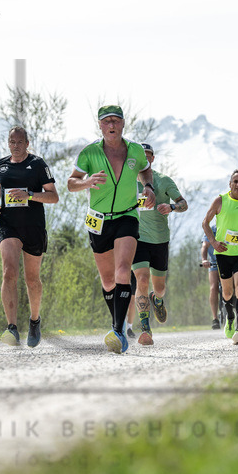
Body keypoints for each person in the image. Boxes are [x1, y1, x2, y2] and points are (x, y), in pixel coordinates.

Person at [68, 105, 155, 353]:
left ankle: (118, 331)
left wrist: (148, 187)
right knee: (107, 281)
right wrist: (86, 182)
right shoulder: (89, 152)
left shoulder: (135, 150)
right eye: (107, 121)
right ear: (100, 125)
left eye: (116, 120)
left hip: (127, 216)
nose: (112, 125)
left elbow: (145, 169)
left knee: (122, 271)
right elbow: (70, 183)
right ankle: (116, 323)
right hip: (98, 220)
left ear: (123, 123)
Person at [0, 126, 59, 348]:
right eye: (11, 141)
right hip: (9, 225)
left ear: (27, 143)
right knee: (9, 272)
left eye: (19, 142)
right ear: (7, 142)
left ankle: (34, 320)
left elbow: (53, 196)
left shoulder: (38, 165)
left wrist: (29, 195)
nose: (15, 145)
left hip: (34, 227)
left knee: (32, 279)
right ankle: (11, 327)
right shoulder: (0, 165)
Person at [121, 143, 187, 345]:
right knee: (141, 279)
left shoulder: (163, 181)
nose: (144, 159)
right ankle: (145, 328)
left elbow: (184, 203)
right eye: (140, 156)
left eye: (147, 156)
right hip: (137, 239)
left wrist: (172, 206)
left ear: (152, 159)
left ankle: (157, 299)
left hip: (160, 240)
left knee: (159, 288)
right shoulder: (127, 181)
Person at [202, 169, 238, 345]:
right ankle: (229, 318)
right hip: (222, 253)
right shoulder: (220, 200)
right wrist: (213, 242)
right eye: (235, 181)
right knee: (228, 292)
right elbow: (205, 223)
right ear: (230, 184)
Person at [199, 228, 222, 330]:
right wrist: (204, 260)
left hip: (228, 260)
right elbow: (205, 246)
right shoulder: (212, 229)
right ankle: (215, 318)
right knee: (213, 288)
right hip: (214, 262)